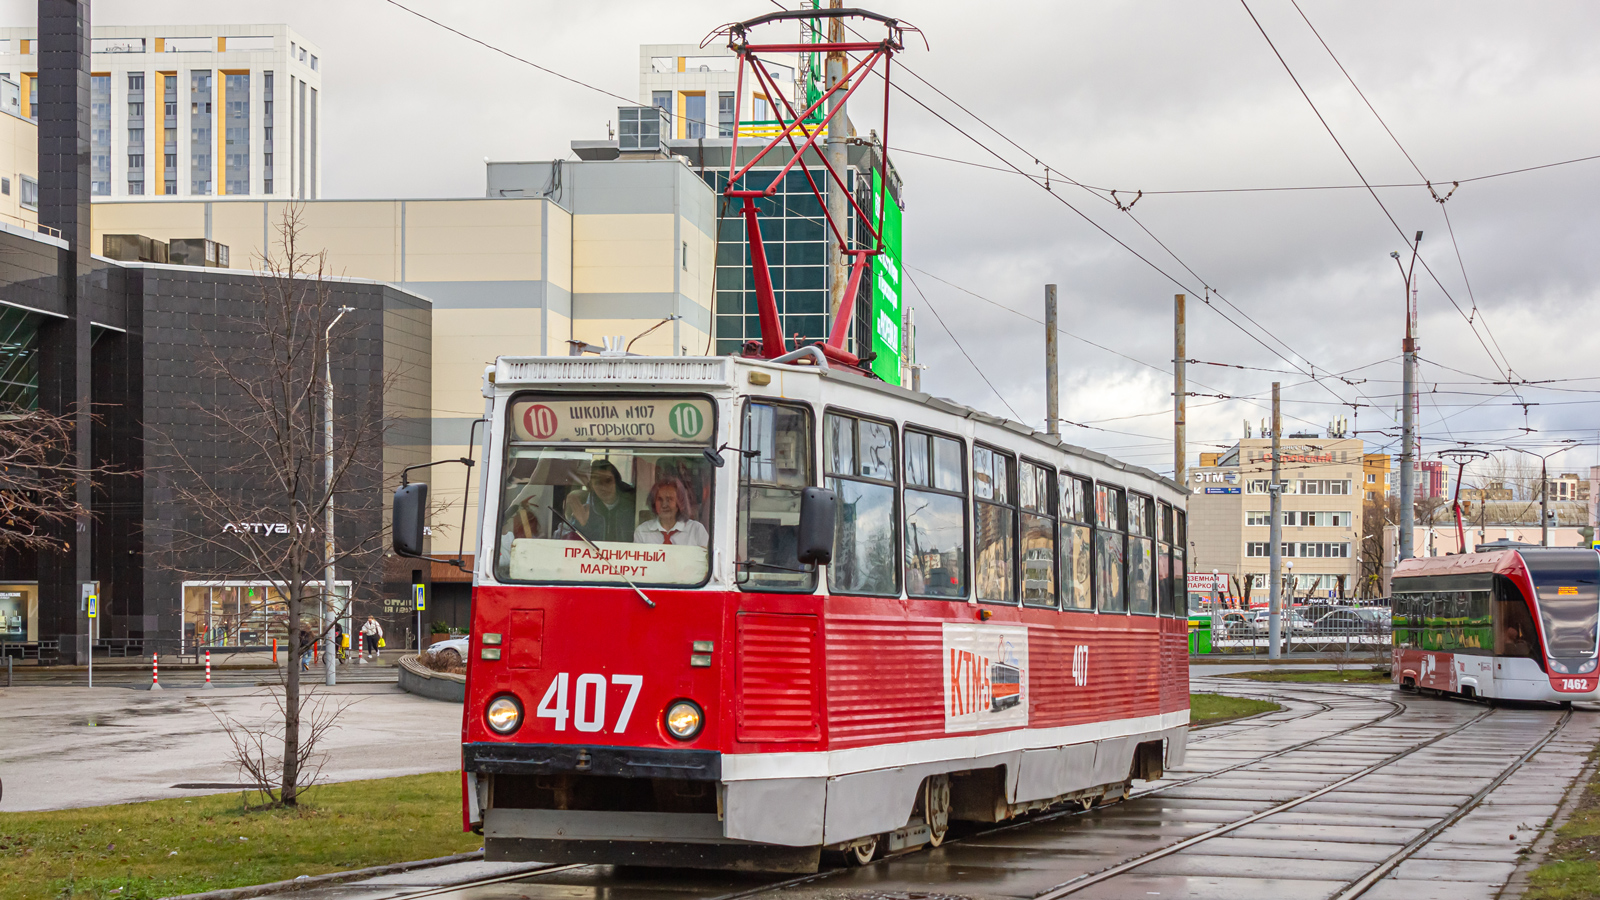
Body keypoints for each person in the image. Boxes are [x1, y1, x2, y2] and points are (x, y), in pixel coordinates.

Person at [562, 460, 636, 543]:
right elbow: (560, 538)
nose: (603, 487)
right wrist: (580, 525)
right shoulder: (583, 506)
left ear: (617, 482)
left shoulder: (633, 506)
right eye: (598, 482)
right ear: (591, 486)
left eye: (608, 481)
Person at [634, 478, 709, 547]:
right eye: (660, 499)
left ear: (680, 502)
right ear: (654, 503)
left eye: (669, 499)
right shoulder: (642, 531)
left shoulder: (696, 530)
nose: (664, 505)